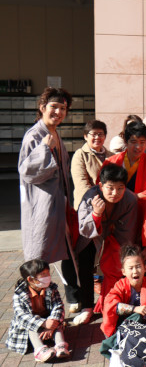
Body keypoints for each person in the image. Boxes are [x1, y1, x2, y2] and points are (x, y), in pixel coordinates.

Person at [76, 164, 138, 322]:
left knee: (120, 262)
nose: (115, 193)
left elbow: (127, 233)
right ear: (101, 185)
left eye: (120, 188)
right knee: (84, 262)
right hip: (91, 236)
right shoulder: (90, 197)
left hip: (117, 237)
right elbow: (84, 228)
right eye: (110, 188)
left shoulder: (130, 199)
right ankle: (87, 306)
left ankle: (117, 300)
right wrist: (96, 214)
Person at [18, 87, 73, 265]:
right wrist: (44, 149)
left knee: (64, 250)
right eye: (54, 107)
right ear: (42, 107)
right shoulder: (34, 136)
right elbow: (27, 172)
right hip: (40, 204)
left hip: (57, 204)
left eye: (63, 108)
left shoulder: (54, 133)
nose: (58, 112)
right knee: (38, 256)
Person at [100, 245, 146, 345]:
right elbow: (110, 304)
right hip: (124, 325)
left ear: (145, 268)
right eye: (130, 268)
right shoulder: (120, 285)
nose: (135, 271)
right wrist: (134, 309)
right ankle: (114, 341)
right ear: (123, 271)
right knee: (137, 316)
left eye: (138, 266)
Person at [6, 259, 69, 361]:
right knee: (31, 328)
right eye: (43, 274)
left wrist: (51, 323)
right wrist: (43, 324)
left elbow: (58, 306)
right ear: (31, 279)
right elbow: (22, 316)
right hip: (32, 324)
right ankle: (39, 350)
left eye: (48, 273)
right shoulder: (20, 294)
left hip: (49, 321)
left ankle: (60, 346)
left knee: (57, 324)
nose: (48, 276)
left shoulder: (51, 288)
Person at [102, 121, 146, 200]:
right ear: (125, 142)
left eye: (142, 142)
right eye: (134, 142)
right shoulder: (111, 162)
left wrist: (135, 197)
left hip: (141, 205)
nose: (138, 147)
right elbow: (102, 186)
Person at [71, 120, 113, 211]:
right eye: (93, 134)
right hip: (87, 205)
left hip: (110, 206)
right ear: (85, 136)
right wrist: (99, 201)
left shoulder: (112, 156)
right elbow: (81, 184)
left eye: (100, 134)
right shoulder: (80, 155)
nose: (97, 137)